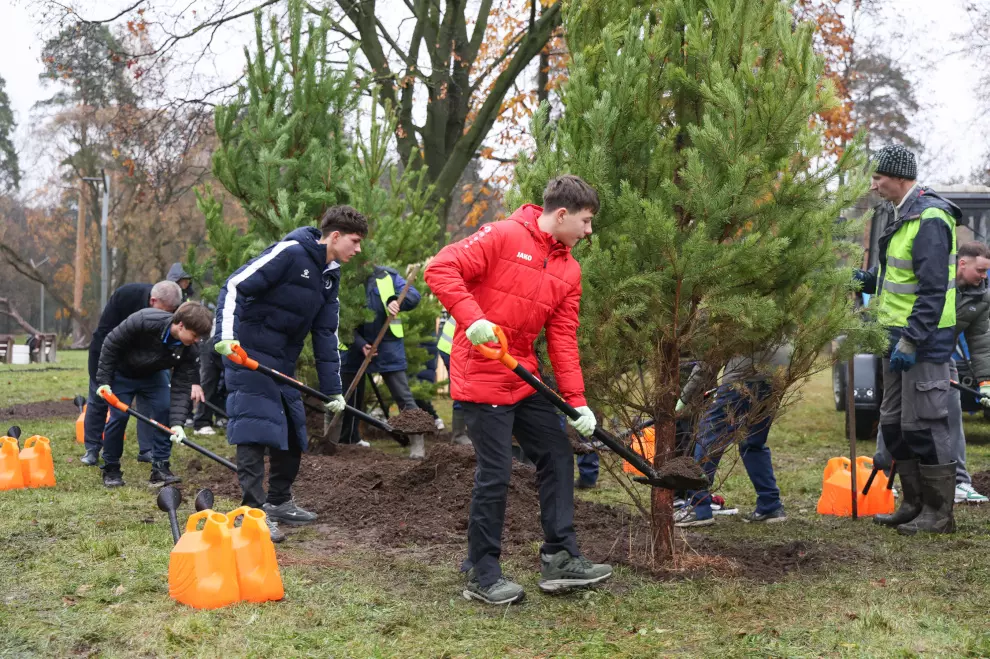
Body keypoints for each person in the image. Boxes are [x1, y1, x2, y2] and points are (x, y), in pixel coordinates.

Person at [425, 174, 612, 605]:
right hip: (481, 372)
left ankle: (560, 557)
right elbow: (441, 267)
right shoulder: (504, 235)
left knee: (556, 452)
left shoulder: (569, 268)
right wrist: (472, 318)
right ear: (561, 214)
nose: (588, 231)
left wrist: (577, 402)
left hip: (523, 374)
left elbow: (562, 338)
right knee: (496, 473)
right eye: (585, 221)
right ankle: (483, 574)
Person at [214, 206, 366, 543]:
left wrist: (334, 390)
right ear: (336, 236)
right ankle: (252, 514)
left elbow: (326, 334)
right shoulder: (291, 252)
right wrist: (224, 337)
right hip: (246, 351)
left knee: (292, 429)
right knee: (255, 428)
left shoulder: (330, 275)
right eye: (355, 241)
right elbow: (236, 285)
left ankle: (279, 501)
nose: (358, 250)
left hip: (281, 362)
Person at [855, 144, 961, 535]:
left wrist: (912, 340)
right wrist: (868, 281)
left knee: (926, 423)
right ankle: (913, 503)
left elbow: (932, 290)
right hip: (894, 336)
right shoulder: (900, 215)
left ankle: (939, 512)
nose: (874, 184)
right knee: (895, 424)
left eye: (879, 177)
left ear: (900, 177)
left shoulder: (931, 217)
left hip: (924, 341)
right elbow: (899, 278)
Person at [875, 240, 990, 504]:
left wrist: (986, 381)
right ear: (962, 263)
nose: (984, 277)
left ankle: (959, 482)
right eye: (981, 270)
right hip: (904, 351)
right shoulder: (934, 277)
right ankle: (883, 474)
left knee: (950, 416)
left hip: (940, 358)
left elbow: (981, 342)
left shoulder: (981, 297)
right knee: (893, 413)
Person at [95, 301, 213, 487]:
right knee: (118, 417)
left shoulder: (189, 349)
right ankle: (111, 468)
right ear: (181, 325)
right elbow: (111, 344)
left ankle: (160, 468)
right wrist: (104, 382)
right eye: (195, 335)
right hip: (123, 373)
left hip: (153, 376)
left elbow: (181, 387)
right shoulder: (144, 320)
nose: (197, 340)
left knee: (163, 409)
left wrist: (177, 424)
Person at [673, 346, 791, 527]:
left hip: (744, 376)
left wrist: (682, 400)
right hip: (779, 373)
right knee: (753, 440)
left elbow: (709, 360)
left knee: (708, 434)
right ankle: (770, 505)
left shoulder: (726, 319)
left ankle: (698, 508)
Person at [80, 279, 184, 466]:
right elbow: (105, 334)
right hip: (110, 354)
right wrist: (101, 375)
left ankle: (147, 450)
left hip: (149, 362)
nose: (168, 317)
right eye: (166, 311)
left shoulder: (173, 310)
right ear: (153, 301)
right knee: (99, 399)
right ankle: (93, 448)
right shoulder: (126, 296)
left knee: (152, 404)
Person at [339, 265, 425, 458]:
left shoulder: (388, 276)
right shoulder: (346, 277)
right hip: (355, 344)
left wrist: (396, 301)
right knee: (349, 396)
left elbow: (413, 294)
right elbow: (339, 316)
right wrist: (360, 344)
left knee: (403, 396)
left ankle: (417, 442)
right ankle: (348, 441)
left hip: (387, 343)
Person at [192, 317, 226, 436]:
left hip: (230, 350)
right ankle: (201, 422)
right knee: (208, 383)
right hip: (212, 345)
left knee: (226, 384)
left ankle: (221, 415)